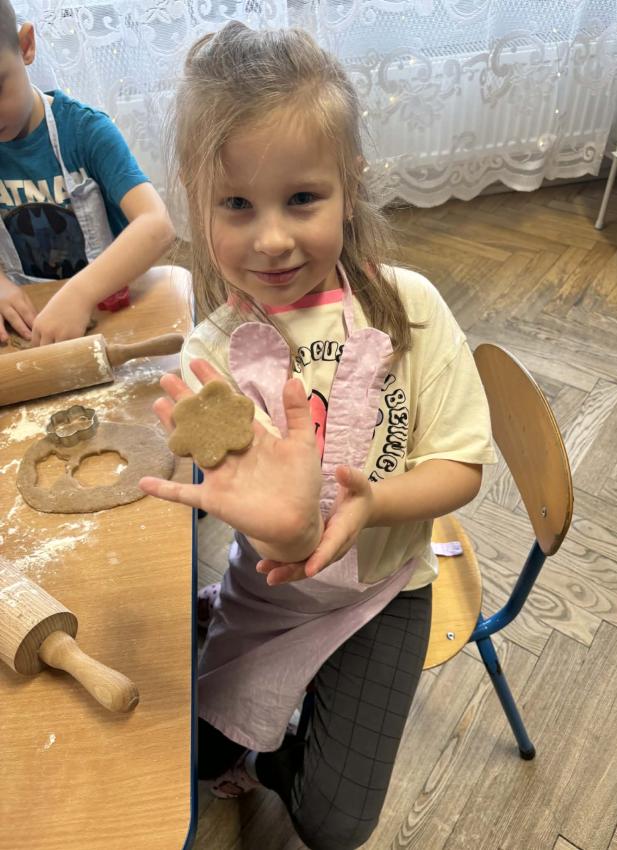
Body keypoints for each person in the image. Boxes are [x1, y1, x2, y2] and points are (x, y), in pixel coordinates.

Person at [139, 21, 496, 850]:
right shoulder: (211, 356)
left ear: (349, 184)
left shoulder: (406, 310)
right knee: (190, 762)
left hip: (386, 590)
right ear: (196, 199)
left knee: (334, 824)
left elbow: (461, 467)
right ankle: (233, 672)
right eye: (237, 204)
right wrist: (273, 520)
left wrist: (371, 504)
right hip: (271, 592)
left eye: (302, 199)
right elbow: (248, 511)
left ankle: (276, 751)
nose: (271, 239)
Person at [0, 1, 175, 346]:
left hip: (112, 312)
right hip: (32, 323)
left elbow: (157, 225)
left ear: (26, 46)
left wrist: (80, 293)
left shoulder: (86, 132)